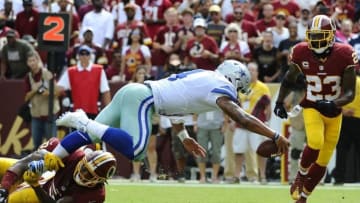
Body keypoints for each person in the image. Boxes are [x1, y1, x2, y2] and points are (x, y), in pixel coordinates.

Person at [43, 59, 289, 174]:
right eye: (240, 87)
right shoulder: (222, 86)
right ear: (235, 78)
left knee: (86, 135)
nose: (238, 92)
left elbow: (176, 104)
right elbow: (242, 118)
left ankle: (48, 162)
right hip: (144, 99)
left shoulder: (203, 77)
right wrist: (274, 133)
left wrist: (183, 136)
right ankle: (83, 119)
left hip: (134, 91)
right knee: (137, 149)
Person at [273, 15, 357, 203]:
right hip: (311, 105)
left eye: (321, 36)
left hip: (334, 112)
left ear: (331, 35)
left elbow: (350, 93)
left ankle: (303, 198)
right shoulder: (302, 51)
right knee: (316, 142)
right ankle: (301, 175)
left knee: (323, 161)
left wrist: (333, 104)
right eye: (314, 35)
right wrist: (279, 102)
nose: (317, 40)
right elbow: (288, 79)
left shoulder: (345, 53)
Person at [0, 137, 116, 203]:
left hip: (41, 195)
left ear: (99, 181)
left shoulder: (94, 195)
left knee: (12, 200)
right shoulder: (71, 155)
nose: (82, 173)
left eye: (89, 174)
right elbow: (22, 164)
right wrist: (3, 190)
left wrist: (35, 185)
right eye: (84, 167)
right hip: (45, 178)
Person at [57, 45, 111, 119]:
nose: (84, 56)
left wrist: (109, 111)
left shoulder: (99, 70)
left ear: (90, 56)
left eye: (87, 54)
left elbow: (105, 91)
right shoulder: (71, 71)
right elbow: (60, 87)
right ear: (78, 56)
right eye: (82, 54)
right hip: (76, 111)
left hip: (93, 110)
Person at [24, 51, 60, 150]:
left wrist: (47, 92)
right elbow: (26, 97)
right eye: (30, 61)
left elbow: (58, 92)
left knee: (52, 145)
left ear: (38, 60)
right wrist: (35, 90)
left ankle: (52, 165)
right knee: (37, 145)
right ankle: (39, 165)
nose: (32, 63)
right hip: (36, 114)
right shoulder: (28, 77)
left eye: (34, 60)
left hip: (50, 113)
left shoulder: (47, 74)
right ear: (27, 63)